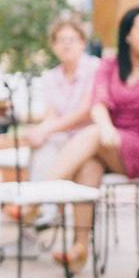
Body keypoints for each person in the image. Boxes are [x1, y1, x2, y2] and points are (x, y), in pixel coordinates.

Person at [47, 6, 139, 271]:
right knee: (88, 166)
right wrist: (106, 128)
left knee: (92, 135)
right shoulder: (110, 64)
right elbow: (98, 103)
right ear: (127, 35)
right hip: (111, 144)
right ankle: (80, 247)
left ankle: (42, 196)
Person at [23, 18, 101, 182]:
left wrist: (45, 130)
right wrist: (40, 132)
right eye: (60, 41)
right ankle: (43, 206)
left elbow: (85, 112)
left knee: (79, 165)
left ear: (82, 43)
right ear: (53, 46)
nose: (66, 45)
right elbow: (51, 114)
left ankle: (31, 203)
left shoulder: (95, 68)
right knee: (42, 151)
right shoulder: (50, 77)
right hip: (61, 138)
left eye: (71, 40)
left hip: (88, 141)